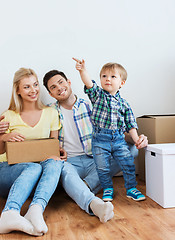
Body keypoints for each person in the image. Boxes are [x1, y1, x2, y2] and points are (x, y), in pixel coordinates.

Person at [0, 69, 148, 222]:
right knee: (58, 166)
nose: (59, 88)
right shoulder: (50, 111)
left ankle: (84, 186)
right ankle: (90, 199)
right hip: (69, 163)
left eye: (61, 82)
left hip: (95, 158)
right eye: (53, 87)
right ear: (50, 93)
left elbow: (117, 134)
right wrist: (0, 133)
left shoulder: (94, 105)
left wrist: (137, 139)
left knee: (131, 150)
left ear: (69, 82)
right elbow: (48, 144)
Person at [0, 68, 66, 237]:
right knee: (33, 168)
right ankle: (9, 213)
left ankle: (35, 210)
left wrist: (58, 153)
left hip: (33, 178)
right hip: (4, 171)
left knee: (54, 163)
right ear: (17, 90)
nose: (33, 90)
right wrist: (4, 137)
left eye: (35, 85)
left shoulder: (51, 113)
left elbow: (53, 145)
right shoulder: (8, 115)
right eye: (27, 87)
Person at [73, 58, 146, 202]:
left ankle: (131, 188)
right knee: (102, 167)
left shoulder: (124, 104)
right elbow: (89, 83)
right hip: (100, 140)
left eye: (113, 77)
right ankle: (107, 188)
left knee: (128, 163)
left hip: (118, 139)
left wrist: (137, 139)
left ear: (121, 83)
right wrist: (82, 71)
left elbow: (131, 124)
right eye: (104, 76)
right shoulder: (98, 96)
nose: (108, 79)